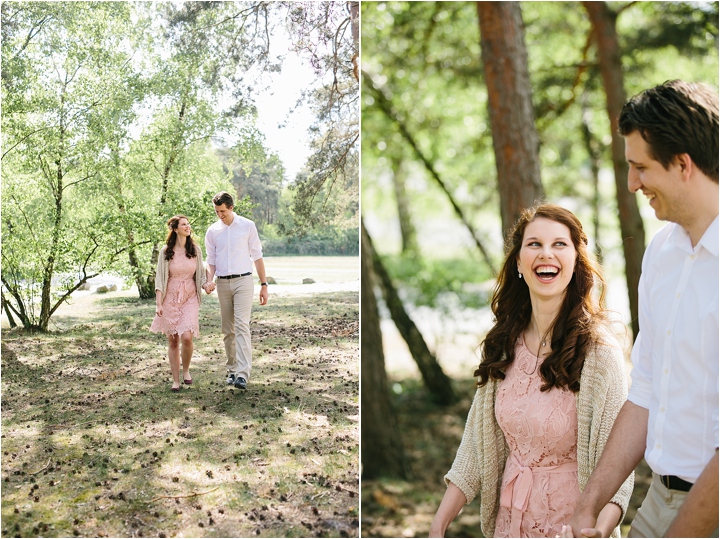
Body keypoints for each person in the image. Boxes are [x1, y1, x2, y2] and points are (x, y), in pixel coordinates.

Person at [569, 80, 719, 538]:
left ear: (683, 164)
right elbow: (648, 387)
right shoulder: (661, 254)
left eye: (640, 167)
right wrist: (589, 503)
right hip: (659, 499)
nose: (632, 184)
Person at [429, 204, 633, 538]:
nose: (546, 254)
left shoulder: (599, 354)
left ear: (576, 262)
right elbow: (476, 446)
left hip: (571, 528)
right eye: (534, 244)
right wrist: (439, 523)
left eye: (559, 244)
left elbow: (619, 462)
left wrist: (597, 529)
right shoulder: (503, 342)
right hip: (509, 525)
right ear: (520, 263)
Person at [203, 191, 268, 390]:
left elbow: (257, 256)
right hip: (222, 283)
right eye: (216, 211)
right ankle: (231, 370)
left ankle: (242, 374)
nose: (220, 215)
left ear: (231, 207)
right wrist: (208, 280)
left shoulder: (248, 226)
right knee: (227, 330)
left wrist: (264, 285)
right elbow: (211, 261)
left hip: (243, 281)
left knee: (242, 325)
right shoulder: (213, 231)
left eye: (222, 211)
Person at [150, 215, 207, 392]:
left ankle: (186, 370)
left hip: (190, 297)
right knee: (173, 340)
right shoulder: (166, 251)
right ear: (175, 229)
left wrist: (207, 285)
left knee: (187, 337)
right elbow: (160, 278)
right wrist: (159, 304)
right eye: (184, 224)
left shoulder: (196, 250)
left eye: (188, 224)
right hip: (170, 298)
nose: (187, 227)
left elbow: (202, 276)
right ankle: (176, 380)